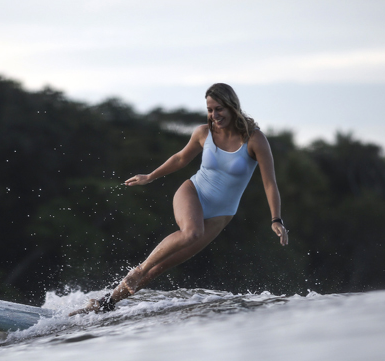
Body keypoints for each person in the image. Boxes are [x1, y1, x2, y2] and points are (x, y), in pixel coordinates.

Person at [71, 83, 288, 315]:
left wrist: (276, 219)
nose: (214, 115)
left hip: (220, 216)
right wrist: (150, 176)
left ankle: (105, 304)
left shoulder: (254, 140)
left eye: (219, 109)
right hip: (193, 192)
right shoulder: (204, 133)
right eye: (210, 110)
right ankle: (137, 270)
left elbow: (269, 183)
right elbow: (180, 159)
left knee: (159, 268)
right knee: (190, 233)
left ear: (232, 107)